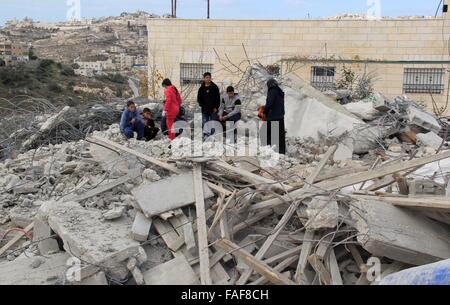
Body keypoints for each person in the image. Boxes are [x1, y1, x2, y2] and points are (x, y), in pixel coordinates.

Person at [264, 78, 286, 154]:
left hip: (273, 116)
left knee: (269, 134)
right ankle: (281, 151)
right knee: (280, 135)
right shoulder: (280, 92)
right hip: (280, 116)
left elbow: (269, 103)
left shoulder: (272, 91)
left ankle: (270, 150)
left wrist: (264, 111)